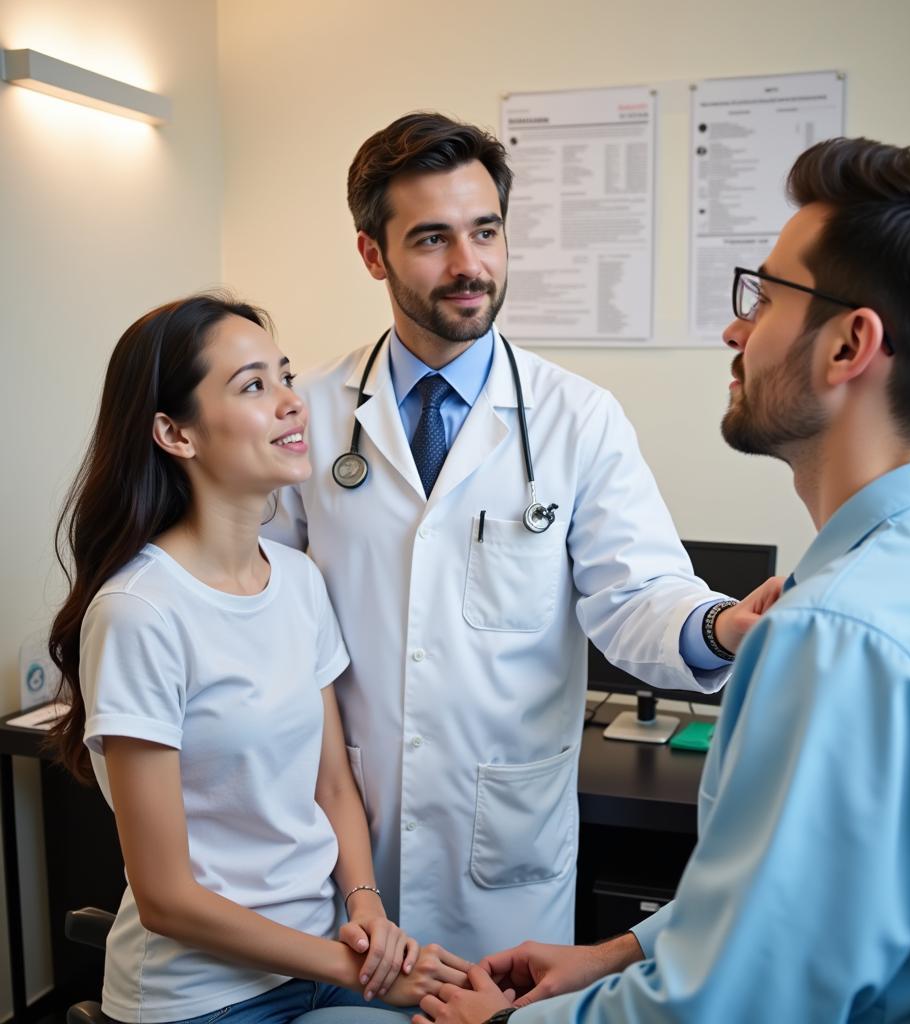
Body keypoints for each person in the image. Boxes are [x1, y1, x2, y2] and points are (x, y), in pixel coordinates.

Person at [417, 137, 910, 1023]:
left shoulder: (836, 636)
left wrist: (503, 1023)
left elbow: (728, 1008)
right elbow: (815, 910)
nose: (736, 328)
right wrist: (624, 951)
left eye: (765, 297)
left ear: (850, 344)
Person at [263, 112, 780, 962]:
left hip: (500, 853)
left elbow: (637, 591)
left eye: (486, 232)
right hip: (334, 839)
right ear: (372, 254)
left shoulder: (577, 418)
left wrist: (718, 626)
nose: (469, 265)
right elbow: (261, 606)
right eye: (432, 239)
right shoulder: (308, 414)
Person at [47, 295, 469, 1023]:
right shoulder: (141, 612)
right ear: (174, 433)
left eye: (284, 377)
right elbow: (167, 898)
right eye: (253, 386)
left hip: (320, 957)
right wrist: (361, 972)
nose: (292, 404)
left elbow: (333, 785)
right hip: (201, 996)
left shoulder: (298, 580)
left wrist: (366, 911)